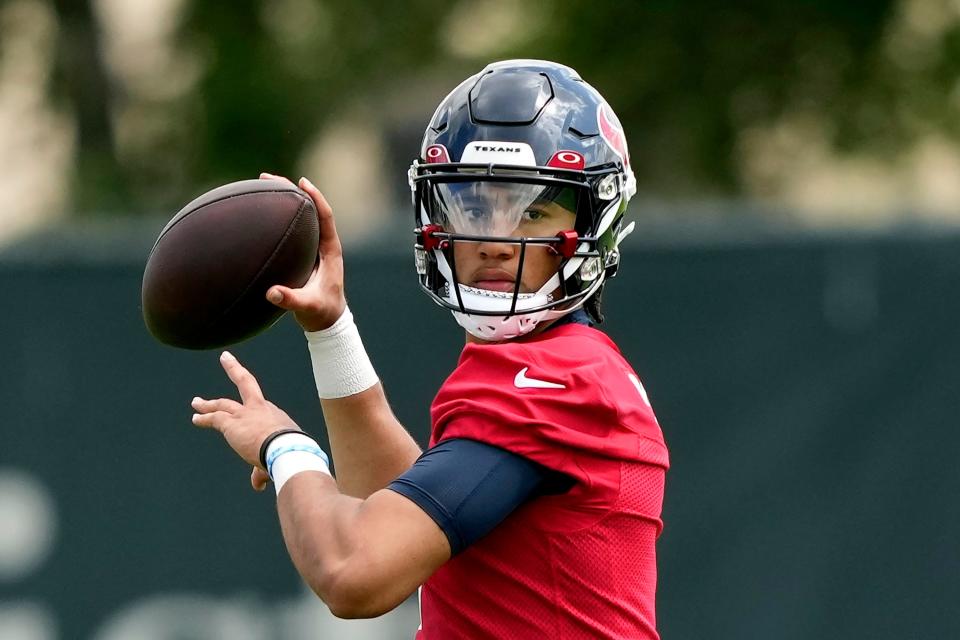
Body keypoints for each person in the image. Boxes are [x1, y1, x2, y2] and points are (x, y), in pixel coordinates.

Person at [191, 59, 669, 639]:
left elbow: (354, 573)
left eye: (532, 211)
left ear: (596, 220)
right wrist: (331, 329)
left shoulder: (560, 381)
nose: (494, 239)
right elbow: (392, 506)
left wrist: (284, 447)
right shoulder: (550, 368)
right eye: (472, 207)